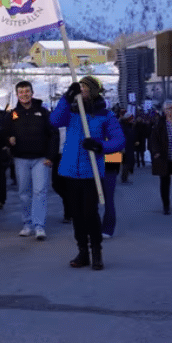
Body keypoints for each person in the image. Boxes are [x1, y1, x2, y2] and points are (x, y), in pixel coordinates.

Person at [50, 76, 124, 271]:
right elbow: (54, 120)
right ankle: (82, 251)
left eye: (84, 87)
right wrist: (66, 99)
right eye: (79, 87)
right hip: (69, 171)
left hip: (91, 172)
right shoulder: (72, 111)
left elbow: (119, 140)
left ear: (93, 91)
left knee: (90, 214)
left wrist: (100, 145)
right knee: (77, 214)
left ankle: (96, 251)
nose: (81, 90)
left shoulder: (105, 115)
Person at [1, 80, 57, 240]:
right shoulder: (12, 114)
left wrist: (50, 156)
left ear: (32, 93)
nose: (24, 95)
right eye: (21, 92)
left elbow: (53, 134)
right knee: (24, 194)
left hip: (41, 159)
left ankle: (39, 226)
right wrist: (8, 140)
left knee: (40, 192)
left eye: (27, 91)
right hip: (20, 158)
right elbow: (3, 132)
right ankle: (27, 224)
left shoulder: (43, 112)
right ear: (17, 94)